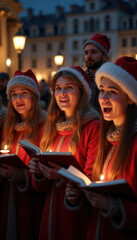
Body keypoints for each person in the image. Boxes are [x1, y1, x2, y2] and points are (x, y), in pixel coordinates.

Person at [66, 56, 137, 240]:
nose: (103, 98)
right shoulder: (105, 140)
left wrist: (112, 205)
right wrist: (78, 197)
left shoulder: (134, 144)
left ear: (130, 98)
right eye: (102, 90)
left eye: (112, 92)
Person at [29, 66, 100, 240]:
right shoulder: (51, 127)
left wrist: (60, 175)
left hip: (74, 215)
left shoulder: (92, 127)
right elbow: (40, 187)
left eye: (69, 87)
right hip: (50, 210)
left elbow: (91, 178)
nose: (62, 93)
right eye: (58, 88)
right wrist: (38, 172)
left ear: (82, 92)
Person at [0, 69, 46, 240]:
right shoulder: (9, 127)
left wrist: (19, 174)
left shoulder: (44, 126)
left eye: (24, 93)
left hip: (31, 202)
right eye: (14, 94)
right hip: (8, 197)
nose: (18, 99)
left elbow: (44, 173)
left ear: (34, 96)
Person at [84, 34, 110, 111]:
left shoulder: (112, 80)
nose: (88, 56)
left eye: (93, 52)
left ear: (104, 56)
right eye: (86, 52)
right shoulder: (81, 79)